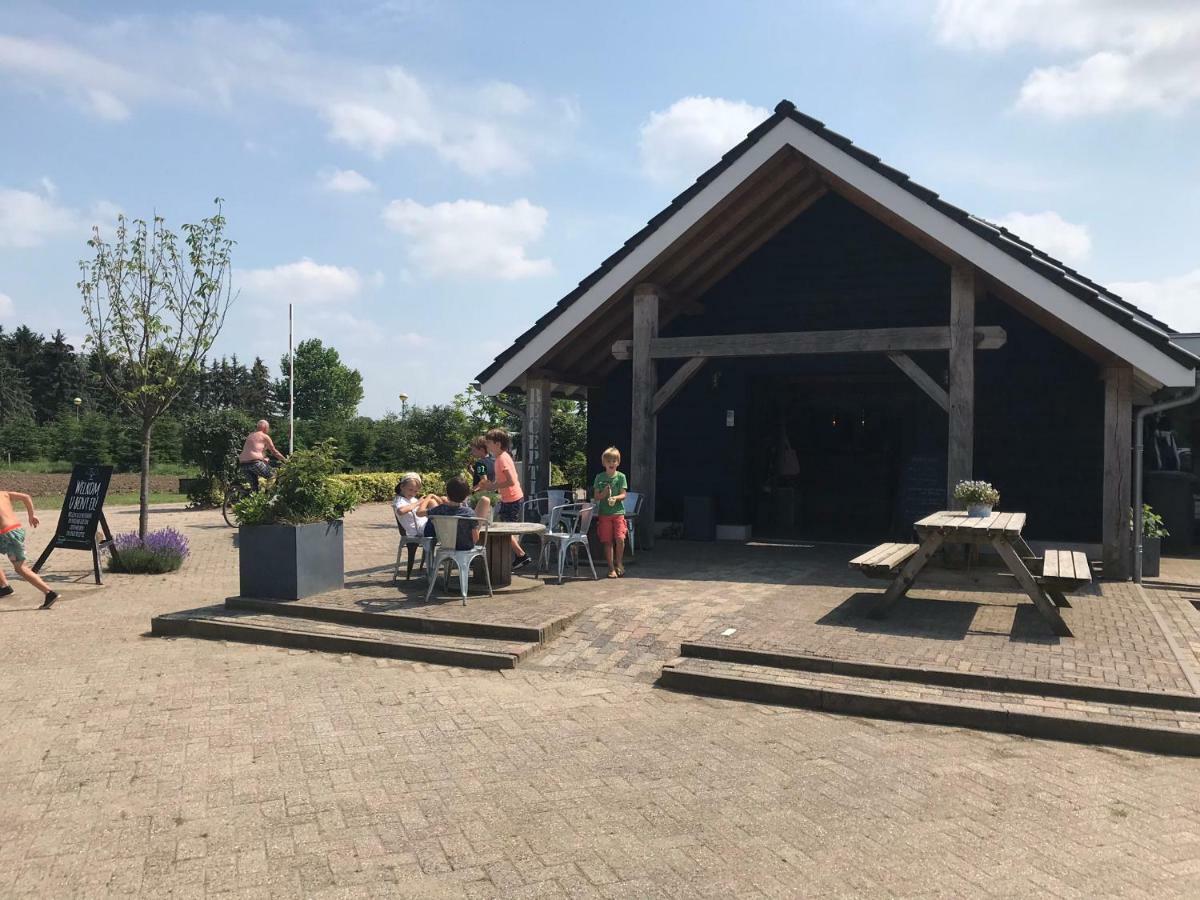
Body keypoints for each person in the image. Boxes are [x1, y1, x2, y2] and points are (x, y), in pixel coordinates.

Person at [477, 428, 531, 570]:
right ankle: (519, 556)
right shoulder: (495, 459)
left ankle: (520, 555)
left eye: (488, 443)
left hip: (507, 497)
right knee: (503, 528)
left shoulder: (482, 463)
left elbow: (485, 480)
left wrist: (485, 486)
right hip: (506, 496)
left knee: (503, 529)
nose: (486, 445)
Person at [0, 489, 59, 608]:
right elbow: (26, 497)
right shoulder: (3, 493)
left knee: (21, 568)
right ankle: (4, 586)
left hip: (8, 534)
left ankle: (49, 593)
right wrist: (31, 515)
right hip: (15, 529)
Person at [424, 476, 491, 551]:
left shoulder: (440, 510)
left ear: (447, 494)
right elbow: (475, 539)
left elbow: (419, 513)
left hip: (446, 544)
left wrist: (428, 497)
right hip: (466, 546)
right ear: (466, 496)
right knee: (474, 523)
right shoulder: (469, 513)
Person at [592, 447, 629, 578]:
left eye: (614, 460)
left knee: (620, 539)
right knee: (607, 541)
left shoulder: (621, 477)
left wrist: (615, 498)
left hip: (618, 513)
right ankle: (611, 568)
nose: (611, 463)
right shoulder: (599, 477)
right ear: (604, 463)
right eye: (609, 461)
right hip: (604, 514)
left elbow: (624, 495)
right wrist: (604, 494)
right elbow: (596, 497)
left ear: (618, 462)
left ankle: (619, 563)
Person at [238, 420, 286, 490]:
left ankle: (251, 496)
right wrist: (286, 460)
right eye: (268, 428)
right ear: (265, 427)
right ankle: (267, 497)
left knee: (254, 487)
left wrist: (263, 459)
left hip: (243, 464)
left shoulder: (250, 435)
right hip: (254, 463)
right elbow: (274, 452)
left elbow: (253, 451)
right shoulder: (265, 436)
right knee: (272, 475)